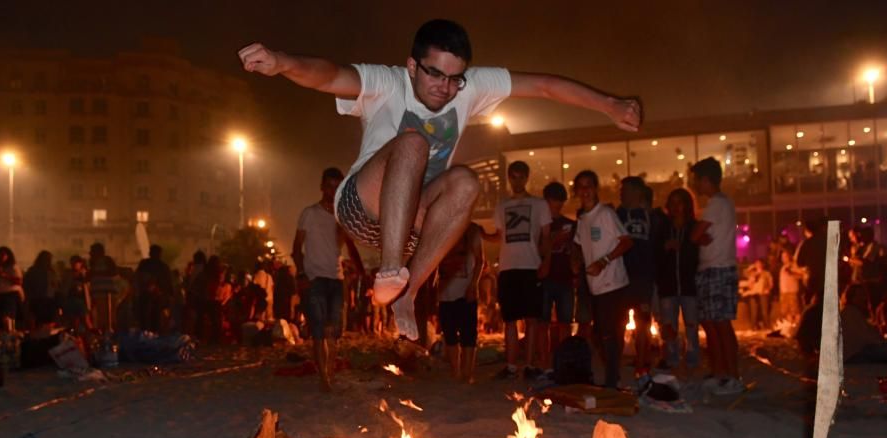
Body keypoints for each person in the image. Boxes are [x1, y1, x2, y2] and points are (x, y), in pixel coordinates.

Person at [238, 19, 640, 341]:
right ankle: (392, 272)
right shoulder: (388, 82)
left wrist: (609, 104)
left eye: (455, 79)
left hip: (413, 221)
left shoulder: (467, 86)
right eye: (435, 76)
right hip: (362, 206)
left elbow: (545, 86)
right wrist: (282, 62)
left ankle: (407, 296)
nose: (446, 89)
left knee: (465, 181)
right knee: (413, 144)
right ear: (413, 65)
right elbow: (329, 75)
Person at [291, 167, 365, 391]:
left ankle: (330, 373)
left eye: (337, 187)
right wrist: (302, 274)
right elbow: (296, 248)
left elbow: (350, 246)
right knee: (318, 331)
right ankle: (324, 378)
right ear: (322, 186)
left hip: (336, 277)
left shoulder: (341, 216)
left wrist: (361, 270)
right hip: (315, 279)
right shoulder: (309, 213)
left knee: (334, 332)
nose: (333, 191)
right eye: (329, 186)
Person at [571, 170, 633, 389]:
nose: (585, 191)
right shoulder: (582, 219)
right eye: (581, 186)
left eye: (589, 185)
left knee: (609, 333)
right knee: (600, 334)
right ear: (577, 191)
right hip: (594, 285)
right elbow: (579, 244)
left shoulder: (605, 214)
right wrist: (577, 262)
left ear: (595, 188)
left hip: (614, 283)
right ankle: (612, 376)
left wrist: (604, 260)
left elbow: (626, 241)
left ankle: (612, 380)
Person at [494, 161, 551, 379]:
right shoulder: (501, 207)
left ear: (527, 178)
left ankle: (528, 364)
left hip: (530, 265)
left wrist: (546, 262)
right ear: (509, 178)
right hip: (508, 268)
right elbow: (500, 238)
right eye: (513, 176)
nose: (517, 181)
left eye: (520, 177)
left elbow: (546, 237)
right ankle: (510, 365)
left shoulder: (539, 205)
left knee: (532, 319)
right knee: (509, 319)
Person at [690, 157, 742, 395]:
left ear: (705, 180)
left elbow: (695, 235)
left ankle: (731, 375)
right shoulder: (722, 203)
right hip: (714, 268)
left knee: (720, 325)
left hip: (718, 268)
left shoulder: (716, 203)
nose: (694, 185)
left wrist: (698, 236)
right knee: (712, 324)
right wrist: (700, 237)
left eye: (696, 180)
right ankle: (721, 373)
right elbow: (700, 236)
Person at [654, 188, 700, 369]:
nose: (675, 207)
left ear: (686, 205)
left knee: (691, 324)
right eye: (672, 203)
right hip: (668, 285)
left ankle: (692, 354)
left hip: (689, 285)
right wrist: (665, 247)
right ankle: (671, 355)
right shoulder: (664, 229)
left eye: (679, 203)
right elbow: (655, 254)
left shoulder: (693, 228)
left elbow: (698, 254)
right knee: (669, 324)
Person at [617, 176, 658, 371]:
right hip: (620, 277)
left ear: (636, 192)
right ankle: (616, 363)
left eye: (624, 189)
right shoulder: (616, 214)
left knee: (643, 321)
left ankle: (643, 363)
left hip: (643, 277)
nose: (621, 193)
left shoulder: (650, 216)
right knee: (619, 320)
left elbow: (659, 243)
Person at [437, 222, 483, 383]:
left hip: (465, 290)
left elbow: (479, 260)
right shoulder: (439, 227)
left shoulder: (472, 229)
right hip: (445, 291)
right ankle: (456, 371)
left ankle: (467, 372)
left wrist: (473, 285)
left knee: (468, 333)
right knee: (449, 333)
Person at [539, 181, 577, 375]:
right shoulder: (540, 226)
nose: (557, 205)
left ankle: (564, 360)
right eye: (554, 201)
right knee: (543, 322)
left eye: (560, 201)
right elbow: (538, 250)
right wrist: (553, 239)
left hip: (565, 277)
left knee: (565, 322)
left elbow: (576, 251)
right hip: (545, 278)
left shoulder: (570, 224)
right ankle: (545, 362)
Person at [135, 244, 173, 333]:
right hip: (150, 296)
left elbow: (138, 278)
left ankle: (149, 333)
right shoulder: (161, 266)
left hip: (154, 296)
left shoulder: (145, 264)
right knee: (150, 317)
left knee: (151, 317)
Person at [0, 246, 24, 332]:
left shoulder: (13, 267)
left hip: (11, 295)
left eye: (3, 255)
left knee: (8, 317)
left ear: (8, 256)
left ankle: (10, 334)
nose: (1, 257)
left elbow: (19, 281)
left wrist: (5, 276)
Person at [23, 250, 59, 331]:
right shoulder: (34, 271)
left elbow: (54, 287)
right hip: (39, 300)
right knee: (39, 323)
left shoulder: (50, 272)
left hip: (46, 300)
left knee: (43, 323)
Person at [88, 242, 119, 332]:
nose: (90, 253)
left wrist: (97, 274)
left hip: (108, 293)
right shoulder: (92, 262)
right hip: (97, 294)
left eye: (92, 251)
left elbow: (114, 272)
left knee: (110, 317)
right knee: (100, 318)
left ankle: (112, 335)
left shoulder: (107, 260)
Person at [739, 259, 773, 331]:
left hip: (763, 294)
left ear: (763, 264)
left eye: (760, 263)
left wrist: (767, 289)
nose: (758, 265)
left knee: (764, 311)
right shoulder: (752, 273)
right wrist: (751, 268)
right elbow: (745, 274)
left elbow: (771, 283)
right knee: (754, 312)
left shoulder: (766, 273)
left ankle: (767, 327)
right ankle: (754, 327)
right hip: (753, 294)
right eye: (756, 263)